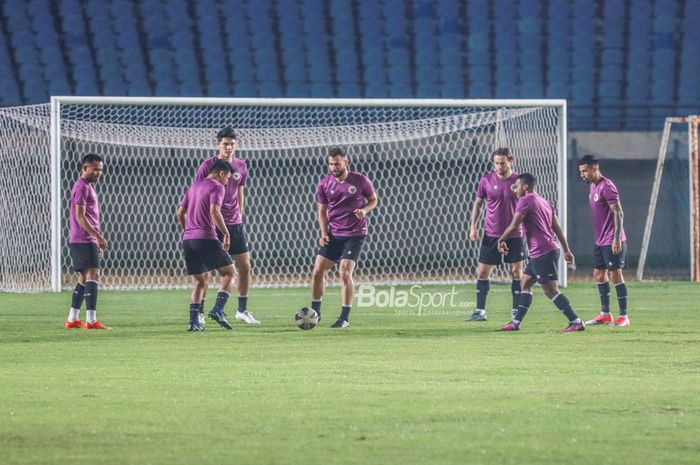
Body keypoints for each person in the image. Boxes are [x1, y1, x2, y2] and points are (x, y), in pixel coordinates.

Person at [497, 173, 585, 333]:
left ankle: (576, 321)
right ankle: (516, 322)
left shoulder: (525, 200)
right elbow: (556, 227)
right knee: (525, 284)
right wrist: (566, 249)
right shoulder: (545, 201)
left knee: (550, 290)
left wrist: (501, 240)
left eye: (516, 187)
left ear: (525, 187)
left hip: (543, 252)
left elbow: (514, 225)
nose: (514, 191)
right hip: (543, 251)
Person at [194, 127, 259, 325]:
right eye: (225, 144)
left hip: (234, 224)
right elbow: (198, 191)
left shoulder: (241, 165)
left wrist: (241, 212)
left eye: (232, 144)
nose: (229, 147)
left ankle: (242, 310)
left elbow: (240, 191)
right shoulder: (208, 165)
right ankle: (199, 312)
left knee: (245, 266)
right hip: (212, 223)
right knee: (205, 270)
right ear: (218, 145)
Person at [310, 147, 378, 328]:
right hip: (334, 234)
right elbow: (322, 211)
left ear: (346, 163)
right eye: (331, 164)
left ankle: (344, 318)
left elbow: (373, 200)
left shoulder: (360, 180)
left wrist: (364, 211)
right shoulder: (324, 184)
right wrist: (323, 233)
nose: (333, 167)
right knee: (317, 272)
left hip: (355, 234)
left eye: (337, 164)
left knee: (344, 272)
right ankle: (315, 313)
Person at [177, 160, 238, 331]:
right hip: (206, 237)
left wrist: (189, 230)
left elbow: (180, 213)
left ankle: (193, 322)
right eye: (228, 177)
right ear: (221, 174)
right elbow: (214, 211)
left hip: (188, 240)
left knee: (201, 281)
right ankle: (218, 309)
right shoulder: (217, 186)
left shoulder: (194, 186)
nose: (227, 181)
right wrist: (225, 233)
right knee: (230, 273)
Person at [468, 147, 526, 321]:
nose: (499, 166)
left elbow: (528, 205)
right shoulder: (486, 179)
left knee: (516, 272)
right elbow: (478, 204)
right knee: (482, 272)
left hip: (515, 234)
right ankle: (480, 311)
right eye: (496, 163)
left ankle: (516, 311)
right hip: (491, 233)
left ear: (510, 161)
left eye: (502, 163)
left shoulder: (519, 181)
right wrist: (473, 227)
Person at [578, 154, 630, 327]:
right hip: (600, 240)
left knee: (616, 275)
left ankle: (624, 317)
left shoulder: (607, 186)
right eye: (581, 172)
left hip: (612, 239)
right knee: (599, 275)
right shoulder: (593, 187)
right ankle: (605, 314)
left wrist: (616, 239)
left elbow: (618, 213)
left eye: (585, 171)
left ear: (595, 168)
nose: (582, 175)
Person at [64, 154, 110, 330]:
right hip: (84, 238)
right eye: (95, 169)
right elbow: (80, 216)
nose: (98, 173)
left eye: (101, 170)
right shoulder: (82, 187)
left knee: (84, 277)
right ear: (85, 168)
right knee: (94, 275)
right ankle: (91, 321)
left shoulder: (86, 186)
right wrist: (98, 237)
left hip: (81, 238)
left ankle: (73, 318)